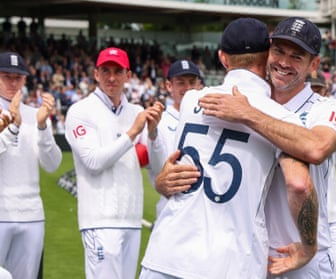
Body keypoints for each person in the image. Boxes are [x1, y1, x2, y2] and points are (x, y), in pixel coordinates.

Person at [139, 17, 318, 279]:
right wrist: (309, 247)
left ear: (223, 58)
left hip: (166, 255)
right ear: (268, 56)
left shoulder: (190, 101)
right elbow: (299, 184)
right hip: (232, 262)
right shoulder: (280, 118)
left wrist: (160, 183)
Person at [197, 17, 336, 278]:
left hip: (302, 255)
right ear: (267, 52)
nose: (284, 62)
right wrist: (165, 179)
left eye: (297, 56)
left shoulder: (325, 108)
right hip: (250, 252)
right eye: (278, 51)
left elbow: (318, 147)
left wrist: (249, 114)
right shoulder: (247, 98)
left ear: (314, 64)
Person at [64, 47, 164, 279]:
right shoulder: (80, 111)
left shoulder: (137, 111)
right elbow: (93, 161)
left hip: (131, 218)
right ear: (96, 74)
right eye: (106, 71)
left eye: (118, 72)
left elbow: (155, 166)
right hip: (99, 219)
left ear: (128, 76)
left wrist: (153, 133)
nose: (111, 78)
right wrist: (133, 132)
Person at [0, 51, 62, 279]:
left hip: (32, 214)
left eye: (18, 77)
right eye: (6, 76)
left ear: (25, 80)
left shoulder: (36, 114)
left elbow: (52, 164)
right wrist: (13, 127)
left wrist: (43, 126)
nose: (13, 82)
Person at [309, 70, 336, 279]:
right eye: (312, 87)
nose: (316, 92)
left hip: (333, 216)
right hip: (306, 214)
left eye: (319, 88)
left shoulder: (330, 117)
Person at [147, 59, 202, 218]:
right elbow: (158, 169)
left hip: (203, 209)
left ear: (199, 85)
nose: (187, 88)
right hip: (171, 208)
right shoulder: (160, 120)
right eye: (181, 83)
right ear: (169, 86)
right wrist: (152, 134)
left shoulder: (209, 117)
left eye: (192, 82)